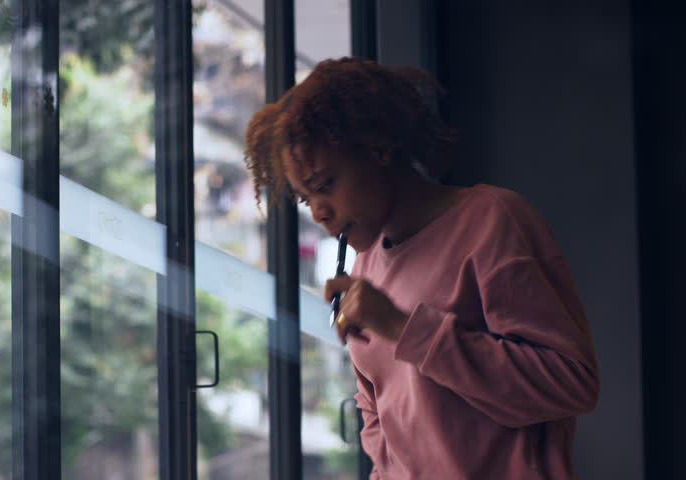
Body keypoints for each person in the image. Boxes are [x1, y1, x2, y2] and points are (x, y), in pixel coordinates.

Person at [244, 57, 599, 479]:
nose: (319, 212)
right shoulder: (366, 271)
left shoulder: (490, 221)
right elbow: (383, 430)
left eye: (325, 185)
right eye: (306, 198)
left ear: (377, 148)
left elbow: (570, 383)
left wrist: (401, 326)